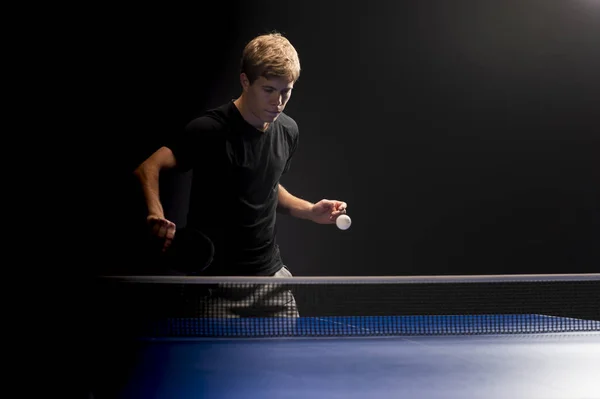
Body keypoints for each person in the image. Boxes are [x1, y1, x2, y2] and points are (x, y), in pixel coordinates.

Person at [133, 32, 348, 317]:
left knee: (286, 362)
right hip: (215, 288)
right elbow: (148, 167)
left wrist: (310, 210)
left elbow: (266, 185)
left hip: (271, 283)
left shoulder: (288, 130)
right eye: (269, 89)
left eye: (287, 90)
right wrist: (155, 214)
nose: (279, 101)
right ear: (245, 81)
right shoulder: (209, 130)